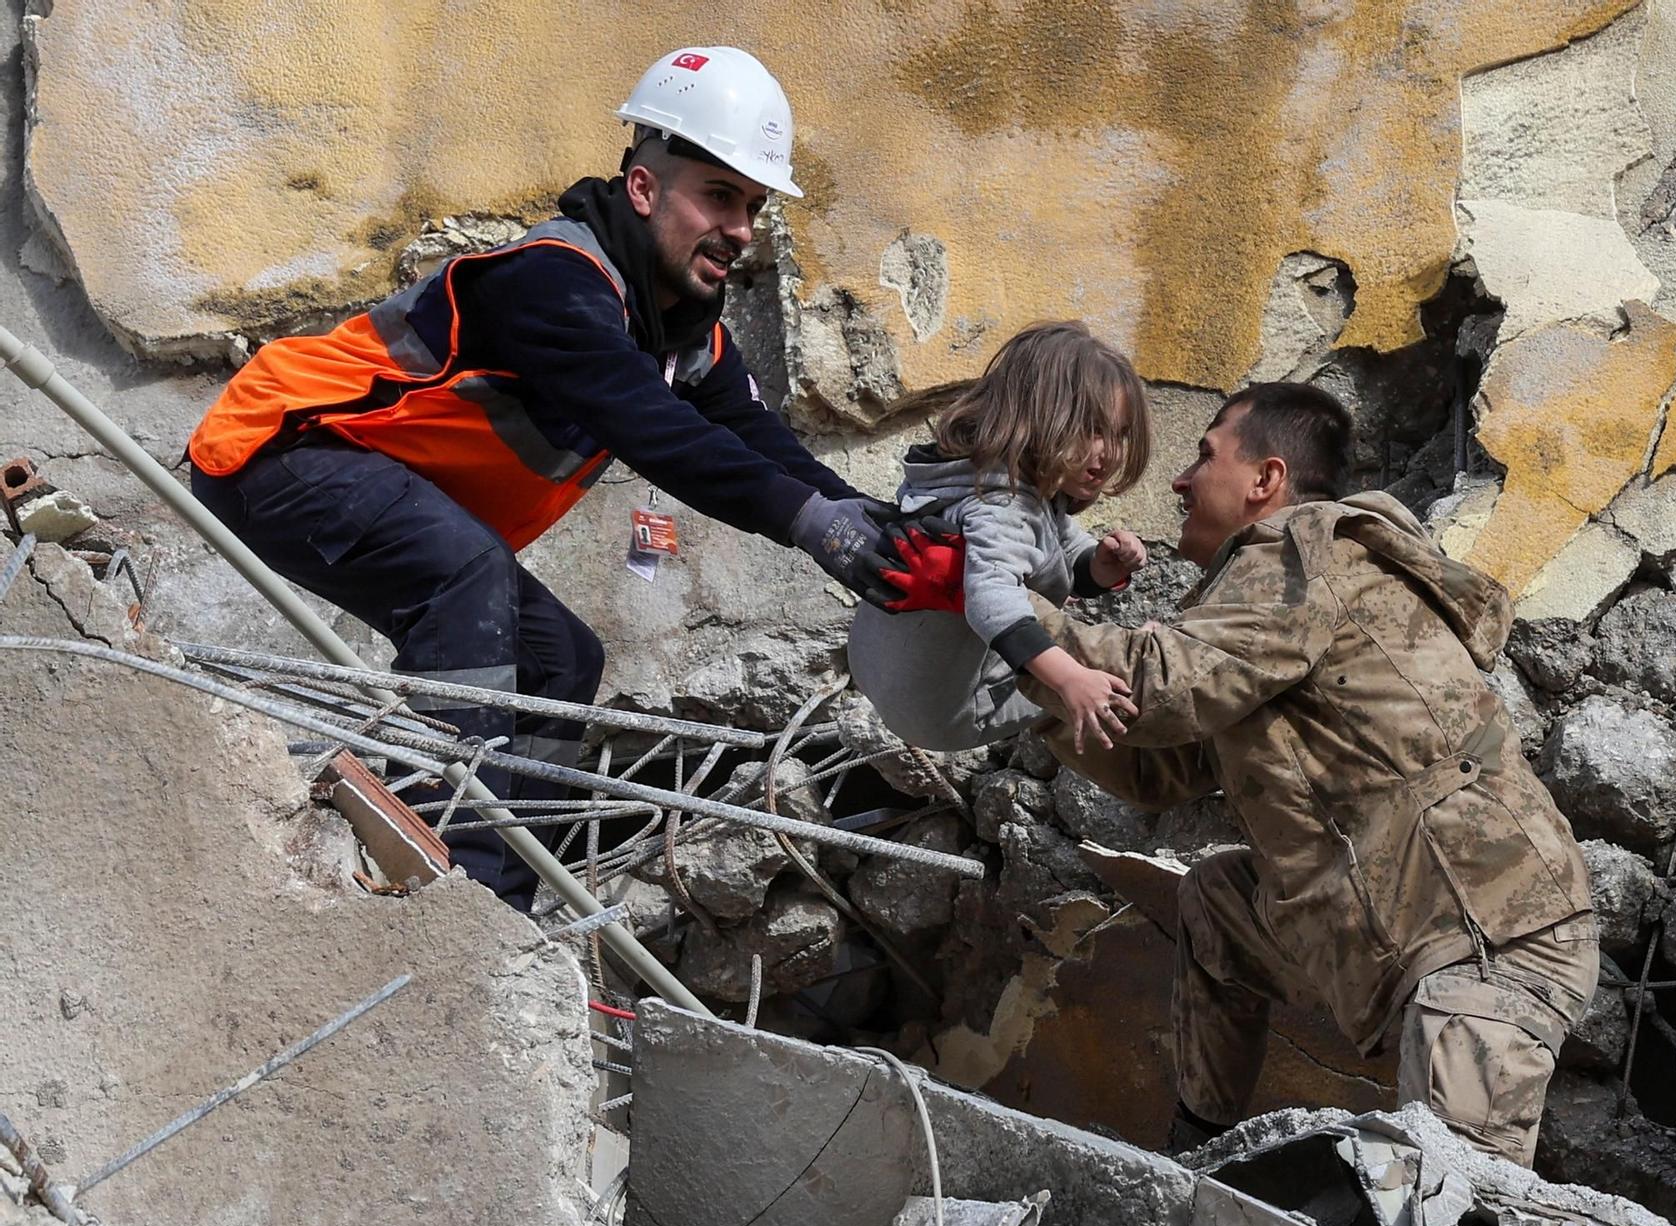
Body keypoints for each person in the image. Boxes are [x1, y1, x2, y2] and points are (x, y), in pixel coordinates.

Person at [185, 46, 940, 910]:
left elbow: (759, 440)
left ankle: (503, 904)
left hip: (369, 476)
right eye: (719, 196)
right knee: (466, 575)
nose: (741, 228)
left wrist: (871, 521)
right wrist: (812, 525)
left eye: (754, 206)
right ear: (644, 188)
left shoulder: (686, 331)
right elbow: (653, 427)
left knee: (561, 661)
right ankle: (441, 888)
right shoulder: (553, 279)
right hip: (278, 447)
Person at [1019, 382, 1599, 1166]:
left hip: (1486, 929)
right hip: (1404, 926)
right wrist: (1027, 689)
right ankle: (1198, 1155)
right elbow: (1157, 766)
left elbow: (1158, 682)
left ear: (1267, 478)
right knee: (1218, 900)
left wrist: (1002, 617)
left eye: (1204, 455)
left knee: (1450, 1213)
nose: (1181, 480)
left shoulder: (1304, 552)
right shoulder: (1255, 607)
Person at [848, 322, 1152, 752]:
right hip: (953, 714)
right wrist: (1071, 679)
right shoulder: (1001, 507)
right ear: (1038, 418)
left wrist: (1099, 564)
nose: (1111, 452)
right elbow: (992, 601)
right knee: (1126, 681)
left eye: (1119, 434)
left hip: (876, 669)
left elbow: (1058, 542)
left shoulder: (969, 477)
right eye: (1093, 429)